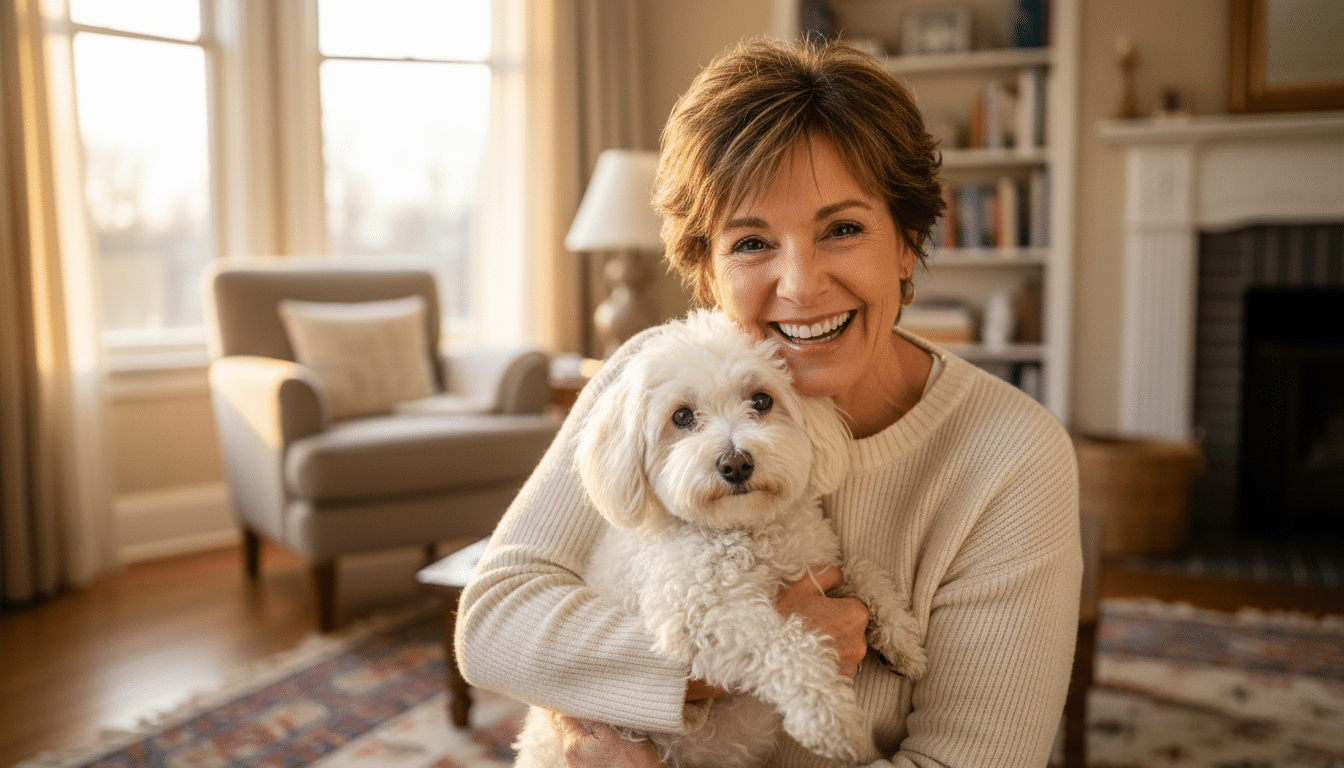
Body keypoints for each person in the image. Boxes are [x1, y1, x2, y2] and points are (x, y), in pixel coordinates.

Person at [456, 37, 1081, 768]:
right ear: (707, 272)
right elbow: (495, 623)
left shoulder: (1012, 457)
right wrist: (716, 666)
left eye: (842, 229)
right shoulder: (646, 375)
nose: (801, 284)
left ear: (907, 244)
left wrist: (604, 688)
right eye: (752, 242)